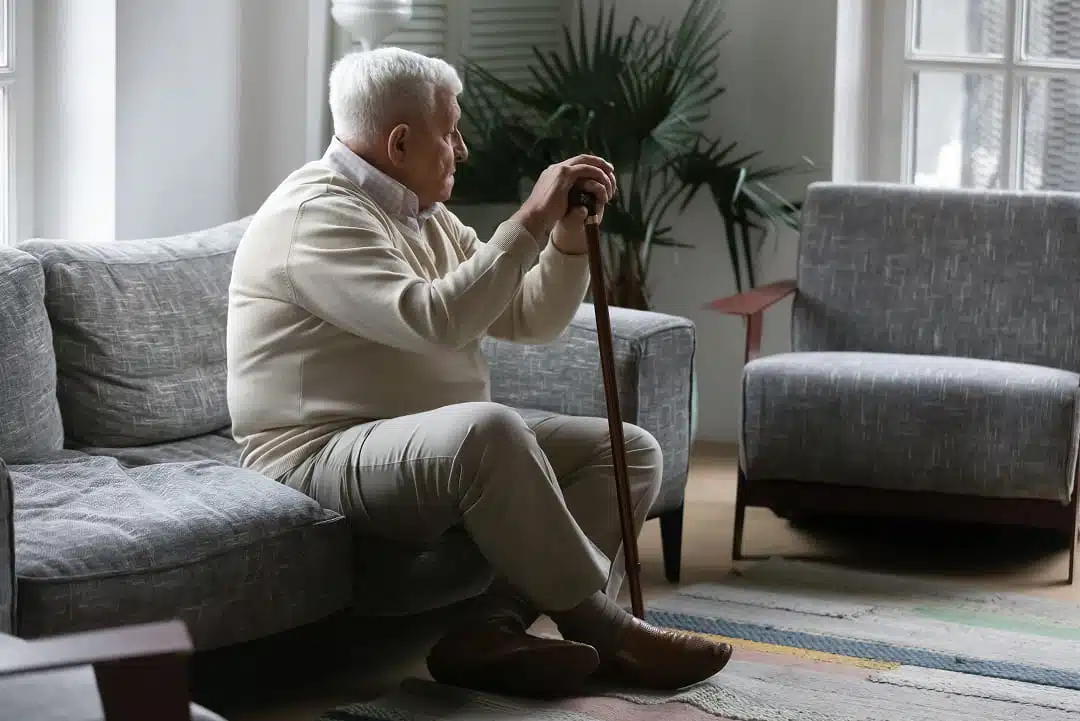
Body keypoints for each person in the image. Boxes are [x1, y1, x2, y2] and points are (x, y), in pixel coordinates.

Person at [226, 46, 732, 698]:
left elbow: (528, 317)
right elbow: (433, 317)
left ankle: (487, 632)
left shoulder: (421, 215)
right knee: (489, 432)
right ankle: (612, 632)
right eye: (451, 132)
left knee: (627, 450)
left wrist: (566, 239)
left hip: (418, 446)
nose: (462, 149)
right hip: (315, 452)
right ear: (401, 141)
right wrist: (527, 218)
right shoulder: (317, 216)